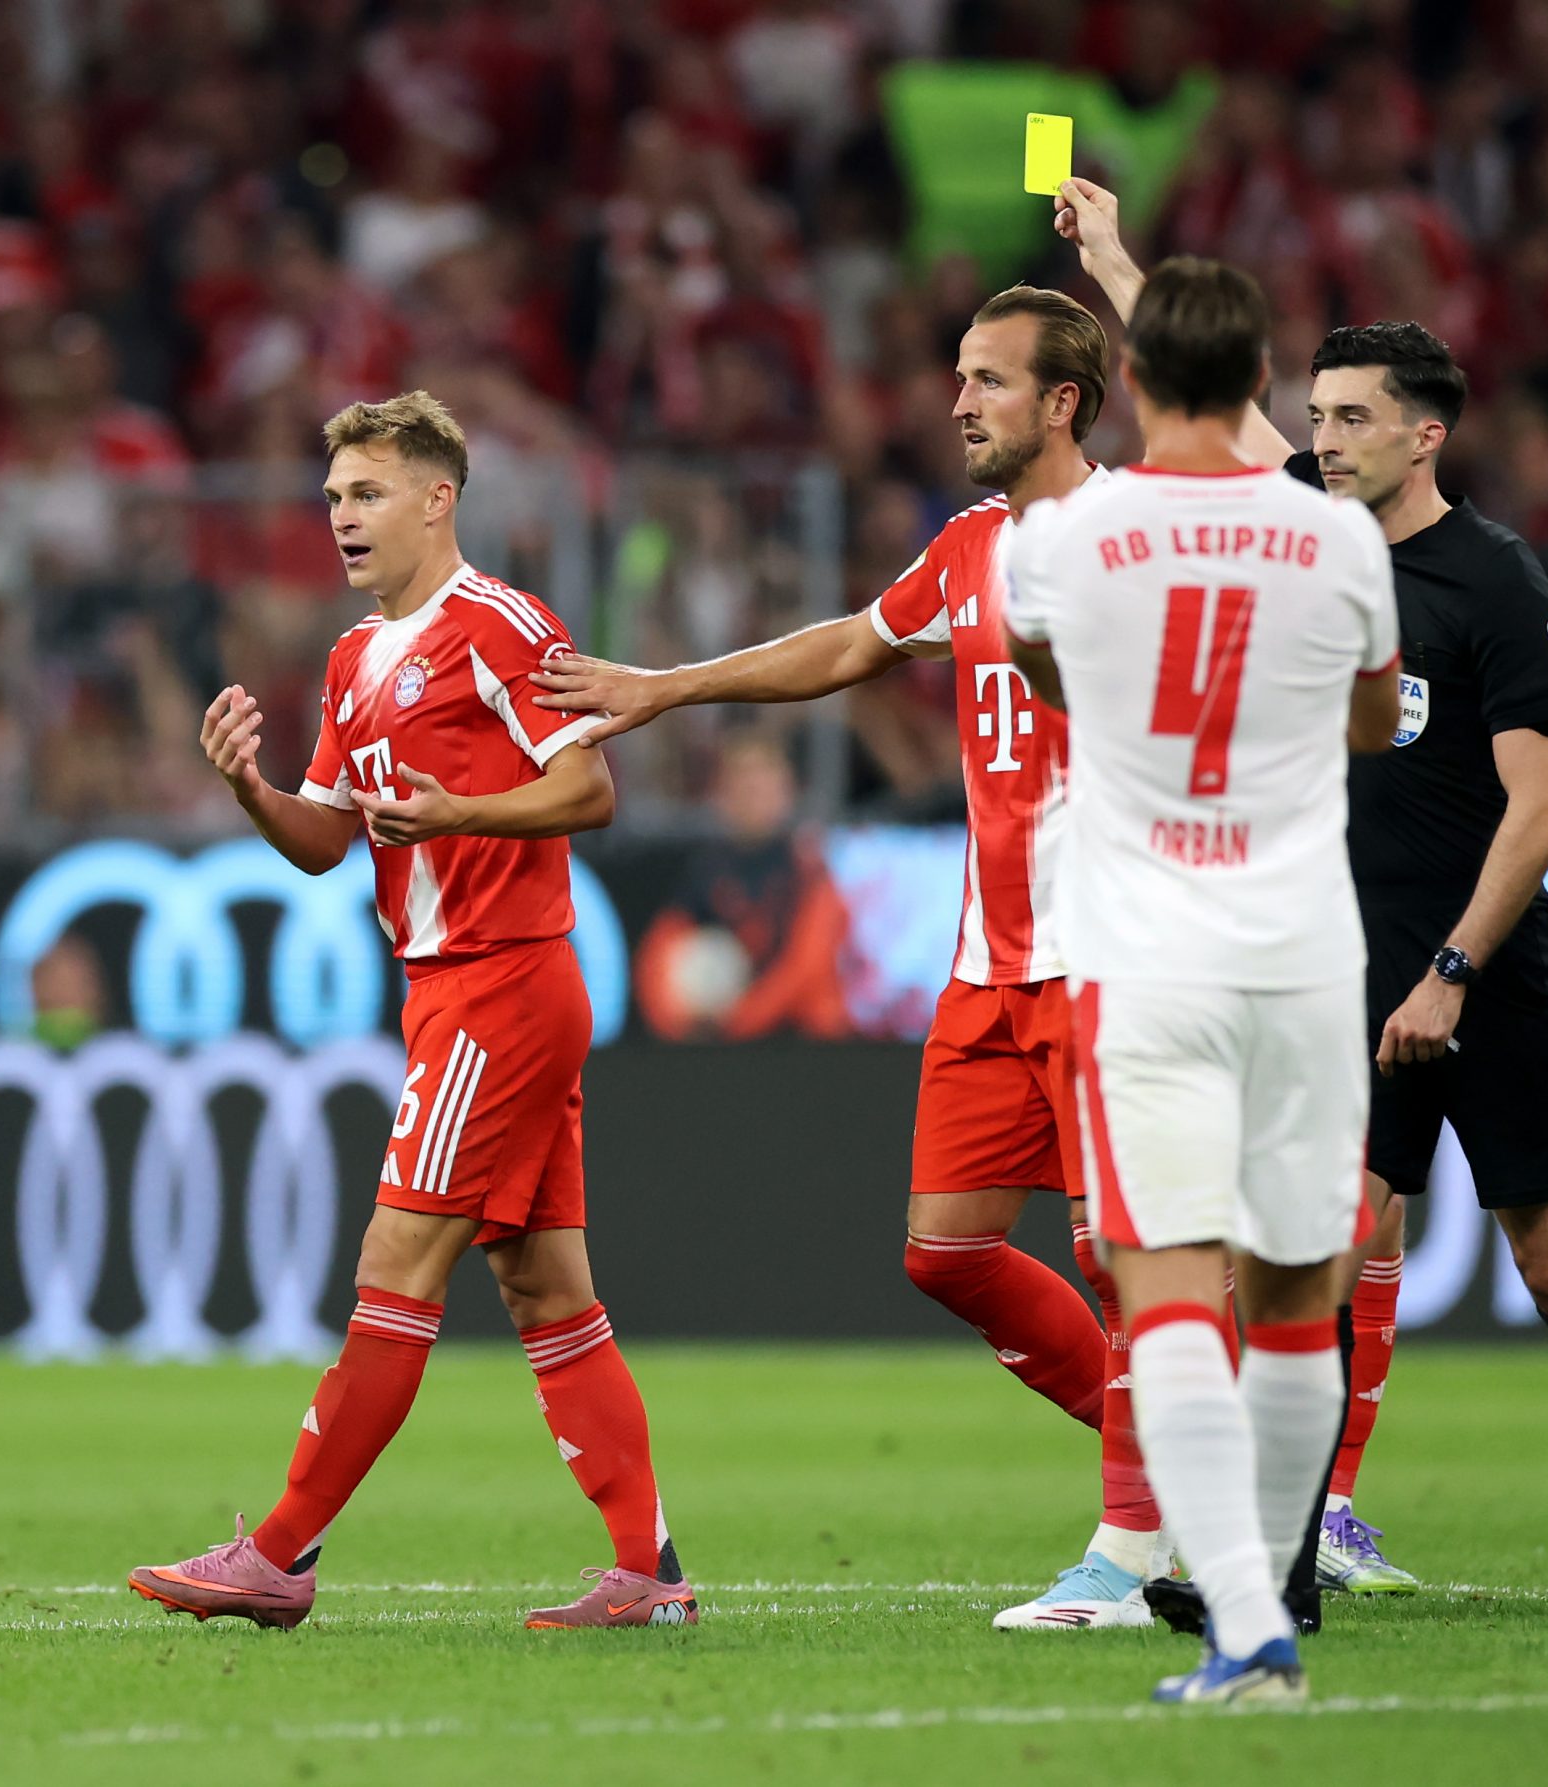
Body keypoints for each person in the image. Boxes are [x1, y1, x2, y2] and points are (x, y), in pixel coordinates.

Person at [1056, 178, 1548, 1629]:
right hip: (1345, 976)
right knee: (1315, 1255)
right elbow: (1211, 386)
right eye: (1314, 414)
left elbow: (1545, 808)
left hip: (1481, 977)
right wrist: (1109, 260)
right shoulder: (1316, 535)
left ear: (1424, 432)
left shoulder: (1497, 585)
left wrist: (1452, 968)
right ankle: (1278, 1571)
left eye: (1348, 419)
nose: (1318, 439)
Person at [528, 287, 1170, 1630]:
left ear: (1064, 400)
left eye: (988, 379)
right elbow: (847, 646)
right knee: (947, 1249)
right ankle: (1179, 1432)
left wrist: (1115, 258)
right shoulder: (970, 545)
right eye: (958, 373)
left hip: (1112, 951)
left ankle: (1137, 1538)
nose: (956, 400)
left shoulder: (1137, 533)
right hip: (990, 964)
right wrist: (665, 686)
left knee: (1122, 1249)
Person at [127, 391, 697, 1631]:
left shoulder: (499, 624)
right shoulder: (351, 656)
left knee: (396, 1265)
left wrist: (462, 814)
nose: (343, 516)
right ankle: (648, 1569)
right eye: (333, 496)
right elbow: (328, 842)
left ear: (439, 498)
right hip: (446, 986)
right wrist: (248, 786)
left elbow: (588, 789)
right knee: (546, 1288)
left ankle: (277, 1554)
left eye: (368, 492)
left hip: (502, 978)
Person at [1002, 254, 1404, 1704]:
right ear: (1256, 388)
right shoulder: (1341, 538)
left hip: (1145, 954)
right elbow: (1373, 718)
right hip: (1302, 951)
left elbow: (1044, 672)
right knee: (1300, 1293)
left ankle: (1250, 1622)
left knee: (1165, 1277)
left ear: (1138, 385)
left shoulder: (1059, 536)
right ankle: (1266, 1592)